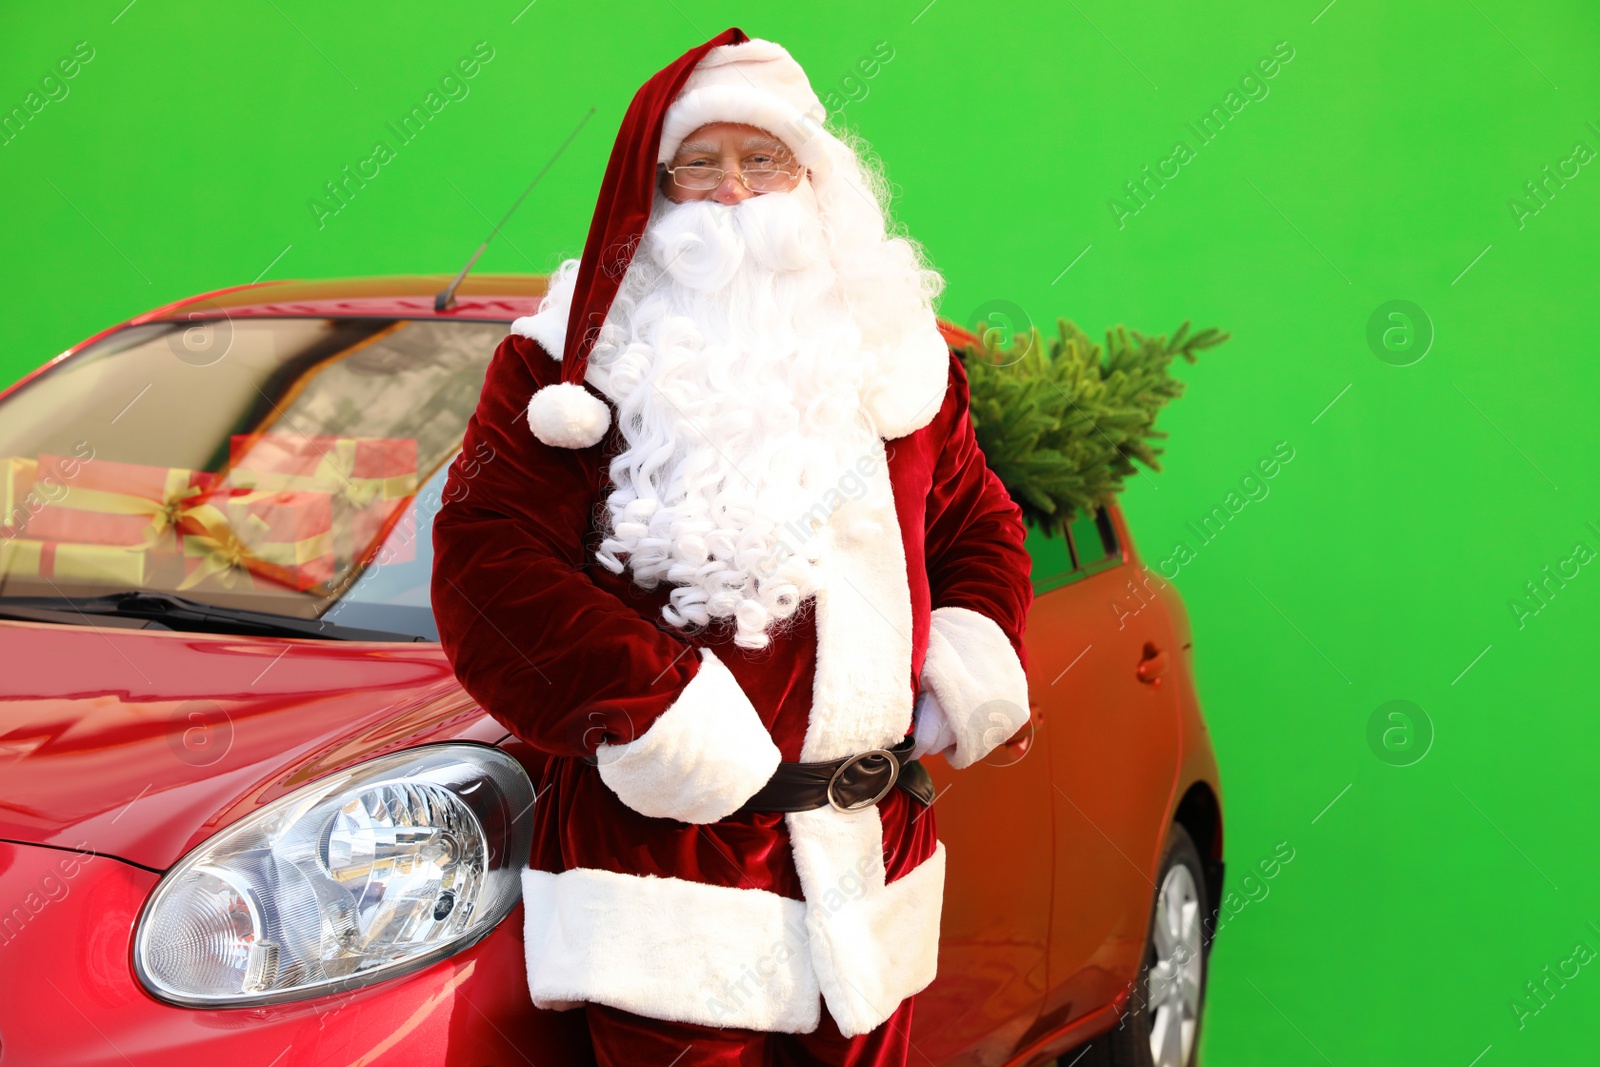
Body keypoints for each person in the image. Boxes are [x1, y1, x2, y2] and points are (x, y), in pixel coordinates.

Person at [430, 27, 1033, 1067]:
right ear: (655, 192)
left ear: (815, 177)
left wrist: (967, 651)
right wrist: (659, 711)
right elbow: (490, 566)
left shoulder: (898, 355)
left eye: (763, 160)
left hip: (864, 852)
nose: (735, 194)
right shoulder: (564, 371)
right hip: (669, 861)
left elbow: (974, 520)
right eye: (700, 166)